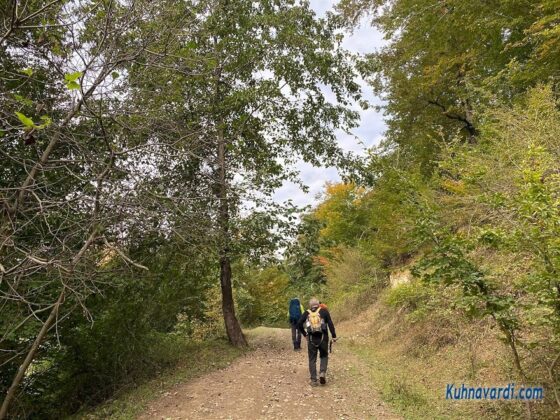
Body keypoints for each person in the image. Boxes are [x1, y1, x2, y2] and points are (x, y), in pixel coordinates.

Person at [298, 297, 337, 386]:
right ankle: (322, 372)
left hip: (311, 339)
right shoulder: (324, 311)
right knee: (323, 356)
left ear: (310, 305)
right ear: (318, 304)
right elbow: (330, 323)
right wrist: (334, 336)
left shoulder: (307, 313)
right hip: (323, 338)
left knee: (312, 359)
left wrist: (305, 334)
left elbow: (299, 323)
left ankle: (314, 380)